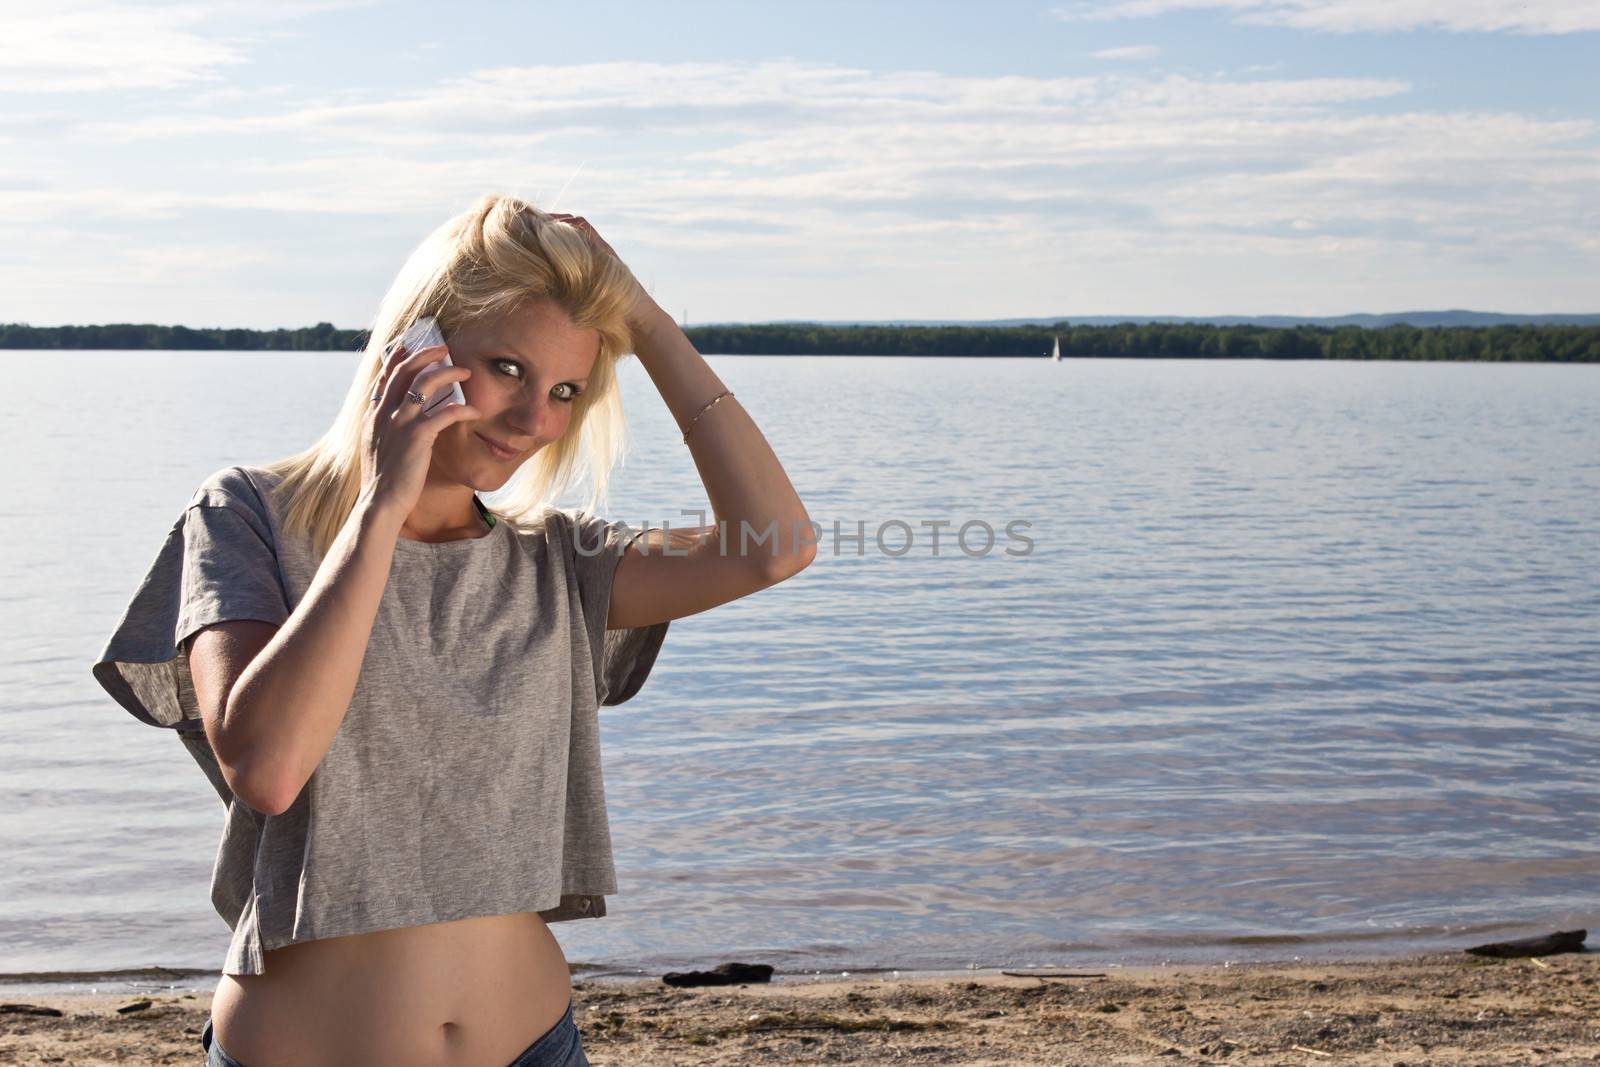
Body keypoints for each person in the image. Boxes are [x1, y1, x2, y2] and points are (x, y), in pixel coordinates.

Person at [89, 193, 816, 1066]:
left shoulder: (558, 559)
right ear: (412, 348)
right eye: (508, 368)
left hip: (536, 1048)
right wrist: (382, 504)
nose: (536, 421)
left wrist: (646, 320)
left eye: (565, 391)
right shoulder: (247, 514)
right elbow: (269, 768)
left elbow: (775, 547)